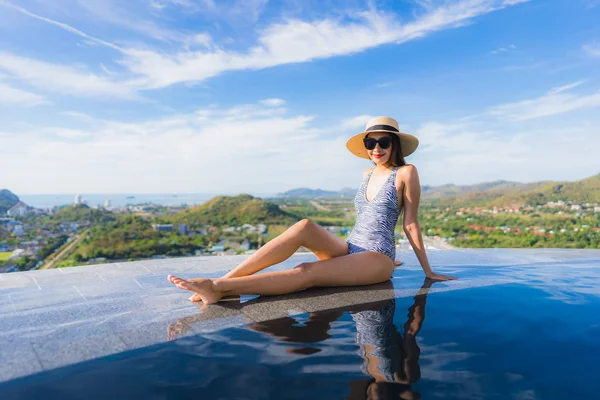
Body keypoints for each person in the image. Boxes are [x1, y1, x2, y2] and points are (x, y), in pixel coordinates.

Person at [168, 116, 457, 304]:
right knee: (304, 225)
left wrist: (428, 271)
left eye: (383, 142)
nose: (376, 148)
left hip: (378, 257)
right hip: (351, 249)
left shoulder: (406, 172)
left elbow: (410, 224)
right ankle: (229, 278)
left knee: (307, 269)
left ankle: (218, 288)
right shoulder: (366, 175)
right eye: (371, 142)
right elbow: (368, 220)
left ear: (395, 144)